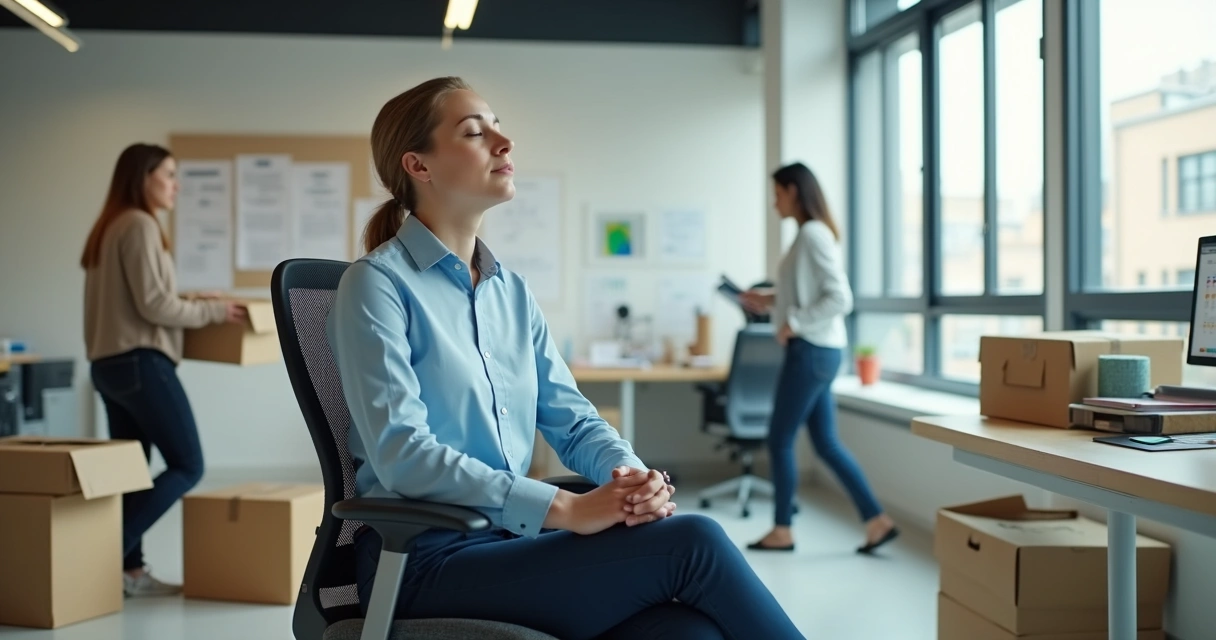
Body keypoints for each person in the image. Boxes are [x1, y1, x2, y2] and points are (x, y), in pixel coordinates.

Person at [328, 77, 804, 640]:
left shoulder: (511, 292)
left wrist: (628, 477)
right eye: (476, 132)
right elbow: (404, 455)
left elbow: (572, 419)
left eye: (499, 127)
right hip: (421, 560)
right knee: (694, 544)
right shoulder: (376, 285)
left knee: (686, 629)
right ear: (419, 165)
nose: (504, 143)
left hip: (506, 541)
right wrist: (566, 509)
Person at [81, 143, 246, 596]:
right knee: (188, 465)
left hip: (110, 366)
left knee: (130, 473)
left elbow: (140, 300)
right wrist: (214, 313)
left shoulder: (110, 226)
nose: (176, 185)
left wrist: (195, 300)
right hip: (140, 364)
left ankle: (131, 574)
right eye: (169, 174)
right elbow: (154, 305)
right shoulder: (138, 224)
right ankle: (99, 553)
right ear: (143, 176)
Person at [739, 162, 898, 554]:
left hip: (811, 352)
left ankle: (782, 529)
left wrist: (792, 321)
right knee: (825, 443)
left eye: (777, 194)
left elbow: (840, 298)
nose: (774, 202)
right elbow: (808, 291)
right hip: (821, 351)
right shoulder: (809, 236)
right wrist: (771, 300)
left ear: (794, 190)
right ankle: (877, 520)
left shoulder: (811, 235)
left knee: (779, 438)